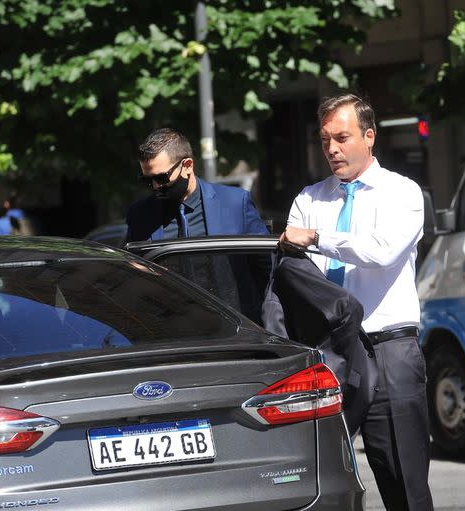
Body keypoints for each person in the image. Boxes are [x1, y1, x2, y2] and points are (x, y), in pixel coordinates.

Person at [280, 94, 433, 511]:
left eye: (342, 138)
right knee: (315, 481)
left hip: (387, 350)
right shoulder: (309, 200)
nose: (332, 149)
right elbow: (295, 277)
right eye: (325, 139)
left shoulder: (401, 192)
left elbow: (381, 251)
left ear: (369, 137)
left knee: (404, 481)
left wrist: (316, 237)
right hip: (326, 355)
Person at [126, 127, 268, 242]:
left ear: (187, 166)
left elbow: (267, 266)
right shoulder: (139, 215)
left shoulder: (235, 203)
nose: (155, 186)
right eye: (147, 180)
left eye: (162, 178)